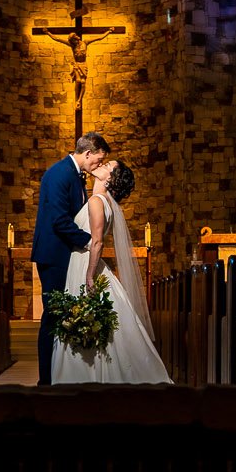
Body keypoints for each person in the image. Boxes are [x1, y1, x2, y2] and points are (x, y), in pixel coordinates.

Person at [51, 159, 169, 386]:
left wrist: (89, 275)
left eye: (108, 165)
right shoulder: (100, 201)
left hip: (86, 264)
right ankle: (86, 374)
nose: (102, 164)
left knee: (88, 319)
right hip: (81, 262)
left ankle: (85, 377)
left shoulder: (97, 201)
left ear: (110, 178)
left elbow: (96, 243)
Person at [31, 133, 108, 386]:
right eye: (99, 159)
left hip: (65, 254)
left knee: (61, 315)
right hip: (54, 256)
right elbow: (59, 220)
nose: (99, 164)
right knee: (52, 317)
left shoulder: (74, 175)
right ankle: (45, 381)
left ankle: (62, 373)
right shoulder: (59, 174)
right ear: (88, 153)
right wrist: (90, 241)